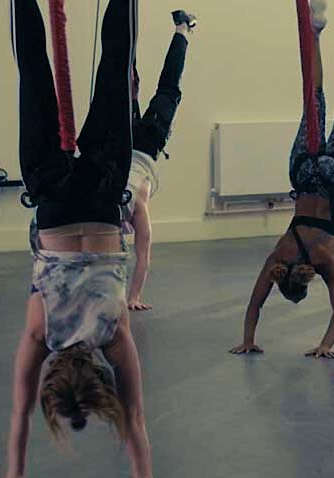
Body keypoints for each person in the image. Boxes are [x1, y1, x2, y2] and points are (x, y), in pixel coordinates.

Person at [0, 1, 160, 478]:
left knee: (115, 65)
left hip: (105, 195)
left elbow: (136, 415)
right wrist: (15, 472)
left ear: (100, 376)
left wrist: (144, 477)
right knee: (33, 72)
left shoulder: (113, 330)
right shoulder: (41, 331)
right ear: (53, 377)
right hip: (52, 200)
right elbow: (20, 411)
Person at [230, 0, 334, 359]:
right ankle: (315, 32)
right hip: (305, 172)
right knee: (314, 100)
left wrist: (326, 345)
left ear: (306, 282)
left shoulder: (324, 259)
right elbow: (253, 308)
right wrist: (247, 338)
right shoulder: (278, 254)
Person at [124, 9, 199, 312]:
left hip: (148, 141)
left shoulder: (137, 206)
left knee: (169, 87)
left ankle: (182, 29)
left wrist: (133, 297)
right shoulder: (111, 203)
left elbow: (144, 255)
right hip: (123, 140)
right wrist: (131, 298)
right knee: (128, 85)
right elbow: (141, 255)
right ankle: (140, 28)